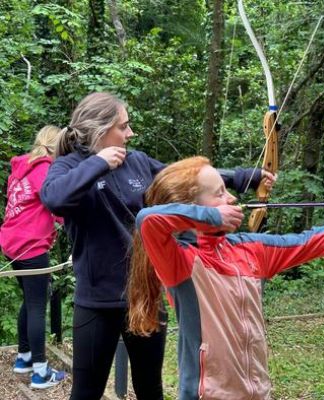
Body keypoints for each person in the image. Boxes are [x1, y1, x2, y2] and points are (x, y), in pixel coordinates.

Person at [40, 92, 274, 400]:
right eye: (123, 126)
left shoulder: (136, 162)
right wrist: (99, 162)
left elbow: (187, 180)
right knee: (86, 393)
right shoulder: (68, 166)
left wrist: (245, 177)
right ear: (100, 128)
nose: (130, 133)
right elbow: (54, 198)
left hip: (145, 295)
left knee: (150, 389)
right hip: (97, 301)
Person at [128, 156, 324, 400]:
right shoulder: (180, 261)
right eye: (219, 193)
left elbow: (313, 240)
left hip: (258, 393)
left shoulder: (250, 249)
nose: (231, 199)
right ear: (191, 208)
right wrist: (211, 217)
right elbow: (148, 220)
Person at [0, 125, 66, 389]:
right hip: (31, 247)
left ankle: (24, 357)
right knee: (38, 304)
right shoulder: (45, 169)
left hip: (12, 244)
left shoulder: (21, 169)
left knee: (31, 300)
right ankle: (40, 372)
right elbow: (57, 204)